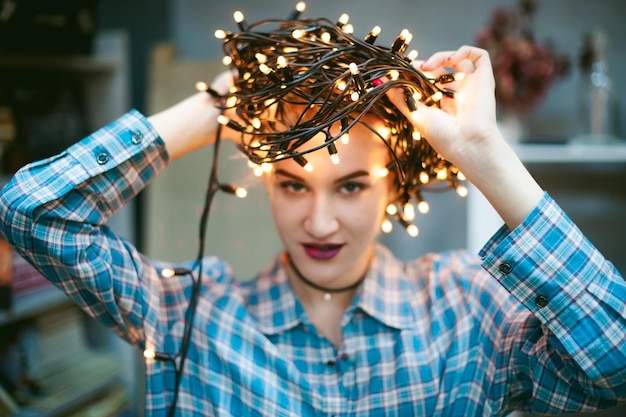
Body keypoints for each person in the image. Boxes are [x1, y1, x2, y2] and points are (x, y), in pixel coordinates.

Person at [0, 33, 625, 417]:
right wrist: (212, 107)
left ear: (394, 187)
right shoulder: (190, 315)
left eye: (351, 186)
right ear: (267, 178)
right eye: (293, 184)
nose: (319, 223)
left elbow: (616, 366)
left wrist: (484, 151)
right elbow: (31, 210)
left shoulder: (469, 312)